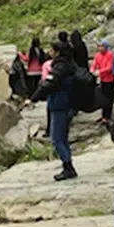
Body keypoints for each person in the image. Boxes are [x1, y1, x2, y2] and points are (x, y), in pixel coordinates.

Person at [29, 40, 77, 182]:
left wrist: (33, 98)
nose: (49, 52)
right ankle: (68, 165)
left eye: (51, 50)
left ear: (57, 52)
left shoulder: (60, 67)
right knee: (63, 138)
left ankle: (68, 167)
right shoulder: (70, 64)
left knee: (56, 139)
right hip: (67, 104)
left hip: (59, 104)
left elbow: (49, 83)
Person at [91, 39, 114, 123]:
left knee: (109, 98)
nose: (100, 48)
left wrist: (100, 71)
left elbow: (109, 67)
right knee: (102, 98)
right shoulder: (98, 55)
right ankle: (103, 116)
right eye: (99, 46)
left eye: (102, 46)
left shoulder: (110, 54)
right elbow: (94, 64)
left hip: (109, 79)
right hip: (102, 79)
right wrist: (92, 70)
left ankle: (108, 116)